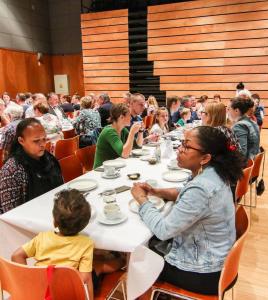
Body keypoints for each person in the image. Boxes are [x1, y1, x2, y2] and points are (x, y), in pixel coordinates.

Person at [131, 126, 244, 295]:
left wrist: (141, 199)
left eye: (186, 146)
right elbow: (185, 193)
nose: (179, 149)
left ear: (205, 157)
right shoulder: (214, 172)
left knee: (138, 256)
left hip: (203, 272)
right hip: (219, 262)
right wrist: (157, 191)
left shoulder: (202, 188)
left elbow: (164, 230)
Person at [11, 189, 94, 300]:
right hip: (66, 294)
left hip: (40, 292)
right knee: (99, 267)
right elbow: (85, 279)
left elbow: (16, 255)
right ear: (85, 224)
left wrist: (28, 280)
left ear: (55, 222)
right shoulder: (86, 244)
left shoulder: (42, 238)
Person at [0, 118, 63, 214]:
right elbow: (11, 213)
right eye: (36, 141)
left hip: (54, 213)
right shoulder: (12, 170)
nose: (42, 144)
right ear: (21, 141)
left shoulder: (49, 159)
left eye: (44, 139)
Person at [94, 103, 143, 168]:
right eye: (129, 115)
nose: (131, 118)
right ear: (121, 117)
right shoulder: (109, 131)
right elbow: (125, 154)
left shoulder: (123, 130)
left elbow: (138, 146)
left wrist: (140, 131)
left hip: (114, 167)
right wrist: (132, 133)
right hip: (101, 170)